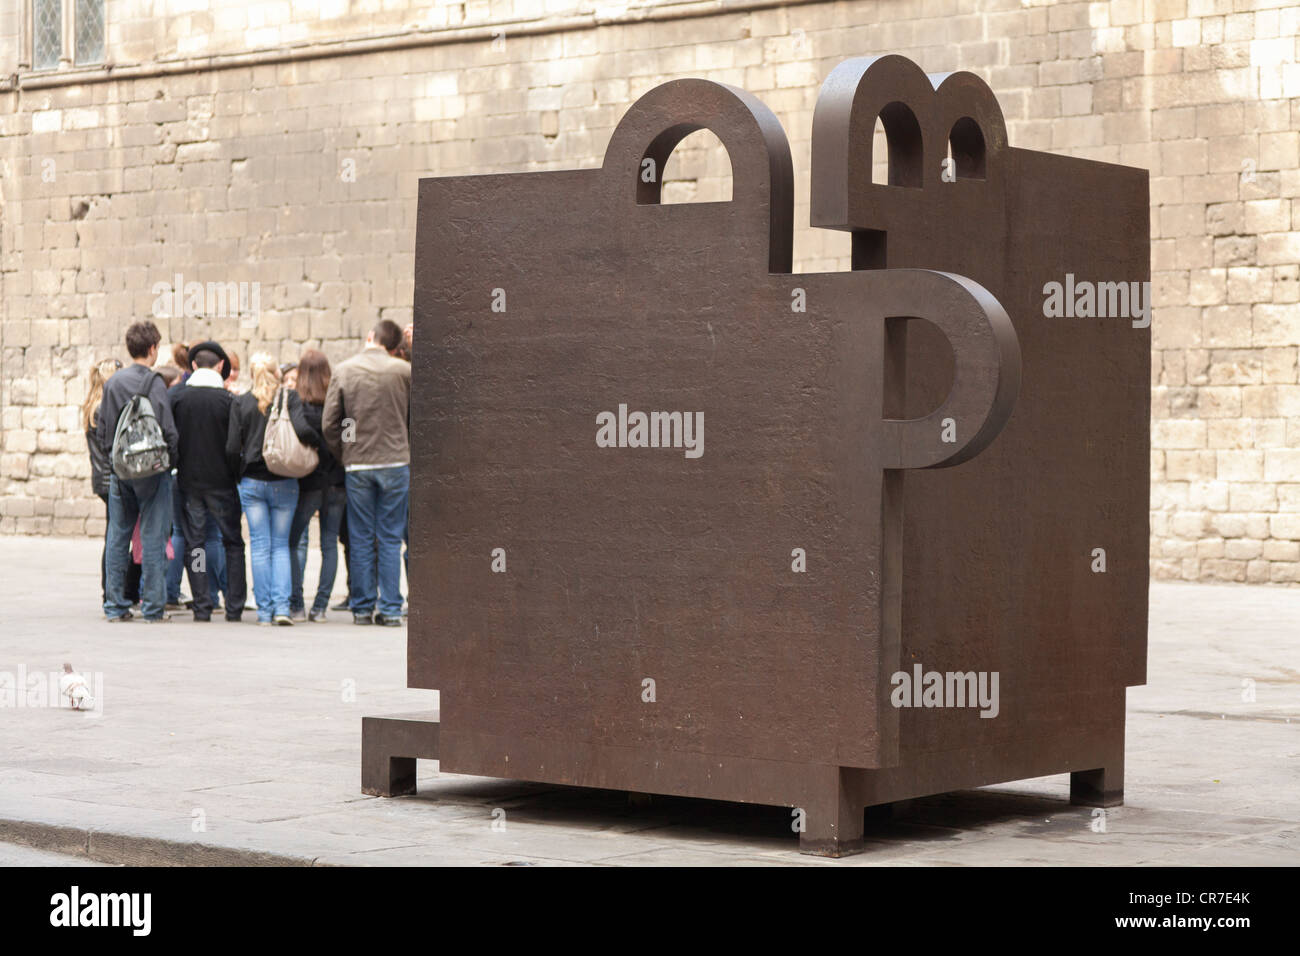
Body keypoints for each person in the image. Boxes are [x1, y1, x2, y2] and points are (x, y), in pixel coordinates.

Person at [323, 319, 411, 626]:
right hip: (396, 462)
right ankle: (390, 608)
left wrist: (347, 449)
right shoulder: (403, 372)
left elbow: (334, 422)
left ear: (370, 336)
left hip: (359, 464)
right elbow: (414, 416)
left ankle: (361, 606)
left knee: (360, 537)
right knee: (389, 538)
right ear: (394, 344)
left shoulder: (345, 370)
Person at [227, 352, 319, 625]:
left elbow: (232, 447)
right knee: (281, 545)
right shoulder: (288, 398)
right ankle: (282, 608)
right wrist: (316, 446)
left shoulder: (241, 402)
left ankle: (264, 612)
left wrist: (238, 475)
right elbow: (302, 430)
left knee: (259, 546)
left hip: (252, 483)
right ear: (276, 374)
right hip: (284, 481)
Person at [97, 321, 179, 623]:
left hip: (121, 470)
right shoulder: (155, 382)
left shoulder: (113, 383)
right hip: (152, 472)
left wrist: (114, 460)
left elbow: (104, 430)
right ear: (153, 348)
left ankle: (115, 605)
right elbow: (168, 430)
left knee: (118, 536)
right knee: (153, 537)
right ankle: (153, 607)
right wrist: (170, 460)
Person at [171, 342, 247, 623]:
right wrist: (234, 472)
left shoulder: (177, 397)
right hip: (223, 483)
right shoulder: (229, 401)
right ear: (219, 367)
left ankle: (202, 604)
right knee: (233, 543)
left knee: (196, 544)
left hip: (190, 482)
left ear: (193, 366)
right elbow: (234, 446)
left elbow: (171, 438)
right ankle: (234, 605)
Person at [287, 350, 346, 622]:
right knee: (329, 543)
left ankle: (297, 604)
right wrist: (331, 447)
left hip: (308, 482)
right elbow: (348, 435)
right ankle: (320, 607)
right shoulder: (338, 402)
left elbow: (299, 430)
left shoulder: (298, 401)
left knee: (294, 541)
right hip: (336, 482)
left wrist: (316, 446)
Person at [83, 357, 141, 606]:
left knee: (115, 535)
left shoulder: (92, 406)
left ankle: (113, 589)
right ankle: (115, 590)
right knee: (119, 536)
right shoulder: (103, 408)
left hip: (101, 477)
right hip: (111, 476)